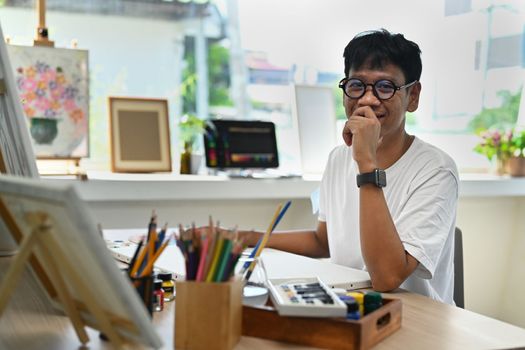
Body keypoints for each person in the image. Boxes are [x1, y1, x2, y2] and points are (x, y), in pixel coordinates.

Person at [243, 29, 458, 304]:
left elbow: (387, 277)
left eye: (385, 87)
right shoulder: (338, 158)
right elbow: (323, 241)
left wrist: (366, 163)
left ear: (412, 96)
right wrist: (245, 237)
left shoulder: (437, 170)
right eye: (357, 85)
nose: (367, 99)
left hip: (414, 318)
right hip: (351, 309)